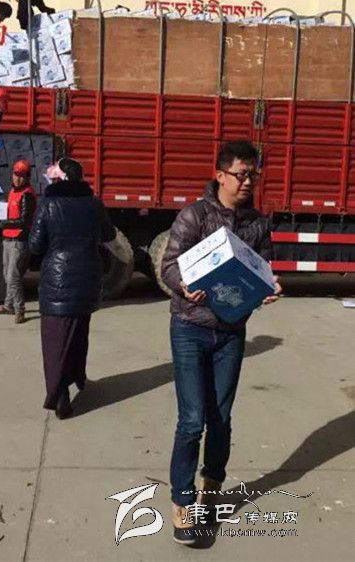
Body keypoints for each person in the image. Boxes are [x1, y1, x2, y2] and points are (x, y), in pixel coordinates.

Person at [160, 140, 282, 546]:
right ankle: (182, 502)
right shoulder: (195, 215)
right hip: (190, 327)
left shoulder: (258, 223)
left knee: (221, 419)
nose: (248, 182)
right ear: (220, 175)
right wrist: (184, 285)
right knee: (192, 420)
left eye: (253, 175)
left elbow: (263, 268)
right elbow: (169, 264)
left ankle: (211, 488)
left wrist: (267, 287)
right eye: (241, 174)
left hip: (231, 332)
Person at [29, 158, 116, 419]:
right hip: (87, 278)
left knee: (55, 342)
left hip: (57, 281)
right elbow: (109, 234)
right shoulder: (94, 204)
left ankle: (60, 395)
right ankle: (76, 378)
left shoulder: (48, 204)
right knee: (78, 336)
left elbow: (35, 244)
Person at [0, 159, 37, 324]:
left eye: (22, 176)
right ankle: (9, 305)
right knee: (7, 275)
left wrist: (5, 223)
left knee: (14, 277)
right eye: (16, 175)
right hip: (8, 238)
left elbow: (25, 220)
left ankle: (20, 310)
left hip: (19, 240)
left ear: (27, 177)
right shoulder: (12, 191)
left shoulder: (27, 195)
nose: (18, 178)